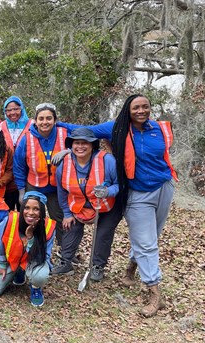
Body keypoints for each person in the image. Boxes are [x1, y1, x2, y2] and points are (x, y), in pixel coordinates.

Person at [56, 94, 178, 317]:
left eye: (145, 107)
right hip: (136, 192)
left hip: (164, 187)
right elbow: (84, 130)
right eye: (136, 108)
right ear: (128, 110)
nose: (141, 111)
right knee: (145, 242)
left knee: (153, 236)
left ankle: (130, 270)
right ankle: (155, 293)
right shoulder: (117, 128)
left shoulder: (160, 129)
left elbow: (163, 157)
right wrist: (55, 125)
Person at [53, 128, 121, 280]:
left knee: (103, 234)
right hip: (78, 206)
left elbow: (119, 184)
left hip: (106, 207)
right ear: (71, 145)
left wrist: (107, 191)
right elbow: (62, 191)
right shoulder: (64, 164)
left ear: (92, 145)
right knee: (69, 227)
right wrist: (67, 213)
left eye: (85, 143)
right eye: (77, 143)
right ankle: (65, 262)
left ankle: (97, 266)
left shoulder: (107, 161)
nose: (80, 147)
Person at [0, 191, 55, 307]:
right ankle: (18, 272)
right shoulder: (10, 220)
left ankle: (36, 288)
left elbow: (43, 257)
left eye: (36, 209)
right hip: (9, 261)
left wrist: (30, 238)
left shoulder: (49, 227)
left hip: (33, 261)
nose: (30, 213)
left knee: (40, 275)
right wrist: (1, 264)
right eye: (27, 208)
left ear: (42, 211)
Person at [13, 102, 67, 243]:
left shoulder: (65, 134)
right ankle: (30, 245)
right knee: (31, 217)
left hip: (57, 187)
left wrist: (68, 151)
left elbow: (83, 147)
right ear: (35, 121)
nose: (45, 122)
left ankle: (64, 249)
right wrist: (21, 191)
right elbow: (18, 166)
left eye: (49, 118)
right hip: (34, 185)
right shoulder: (27, 138)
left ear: (55, 120)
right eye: (41, 119)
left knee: (60, 219)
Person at [0, 96, 34, 210]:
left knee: (25, 209)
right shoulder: (1, 126)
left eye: (16, 109)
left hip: (27, 174)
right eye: (8, 110)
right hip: (7, 175)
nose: (12, 113)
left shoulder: (32, 125)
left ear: (22, 109)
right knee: (6, 209)